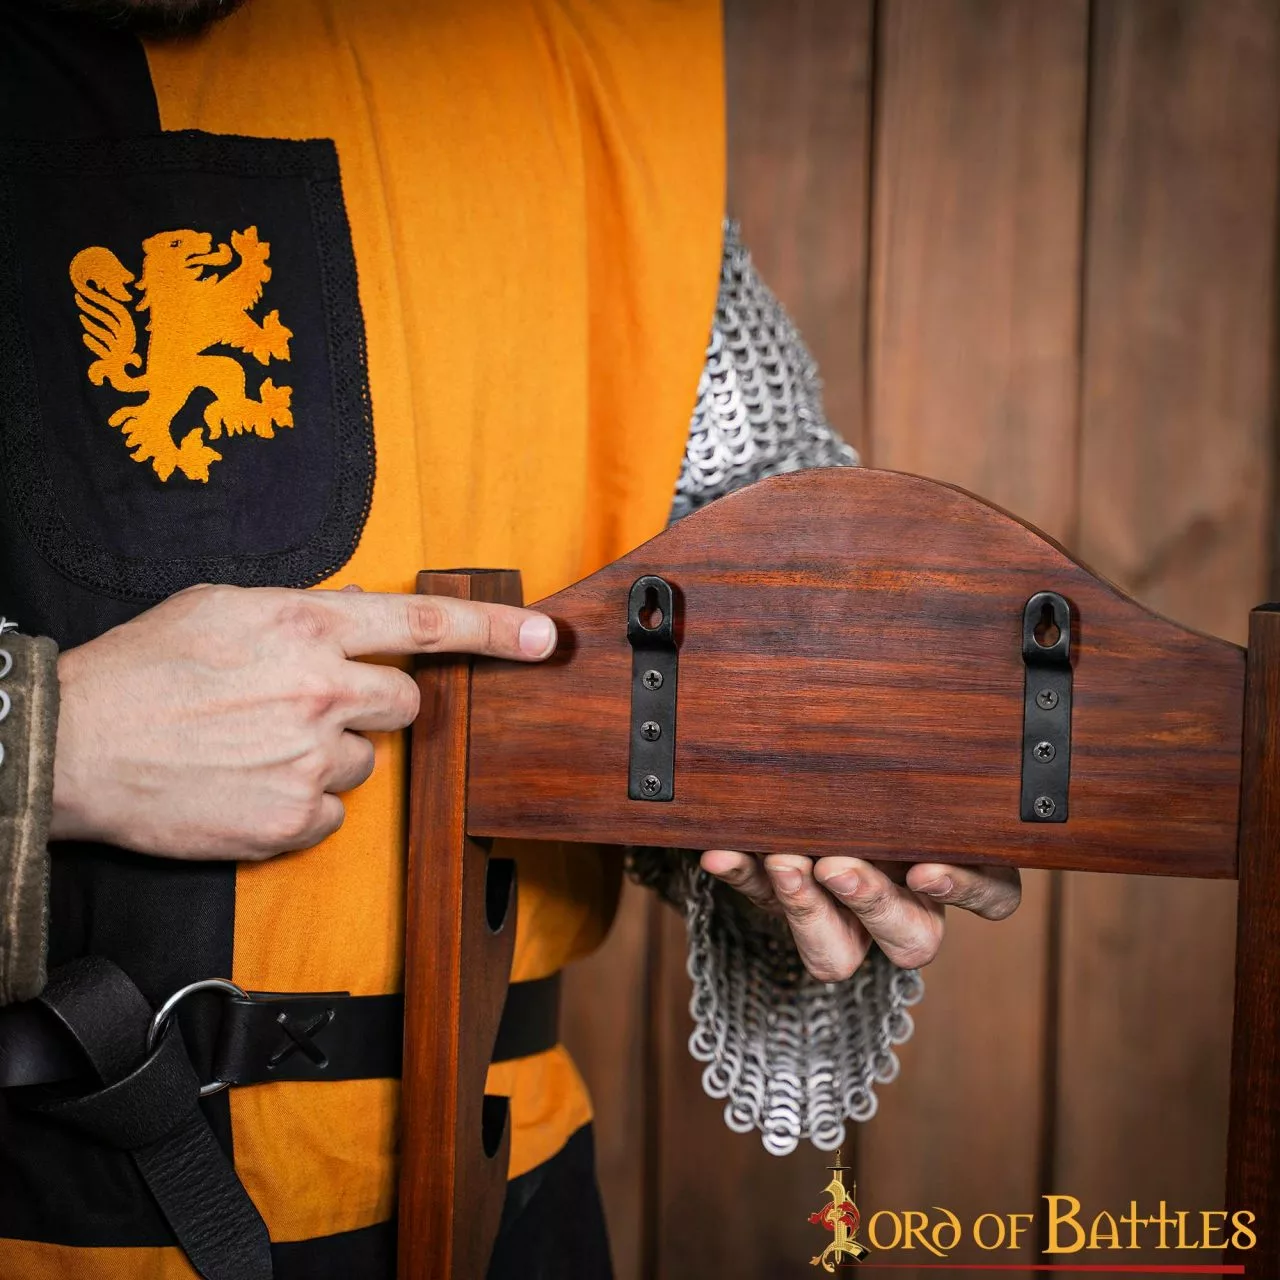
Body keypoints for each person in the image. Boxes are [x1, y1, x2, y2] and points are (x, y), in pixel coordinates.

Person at [0, 2, 1022, 1277]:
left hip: (502, 1198)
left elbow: (732, 557)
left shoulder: (594, 50)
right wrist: (43, 744)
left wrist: (811, 790)